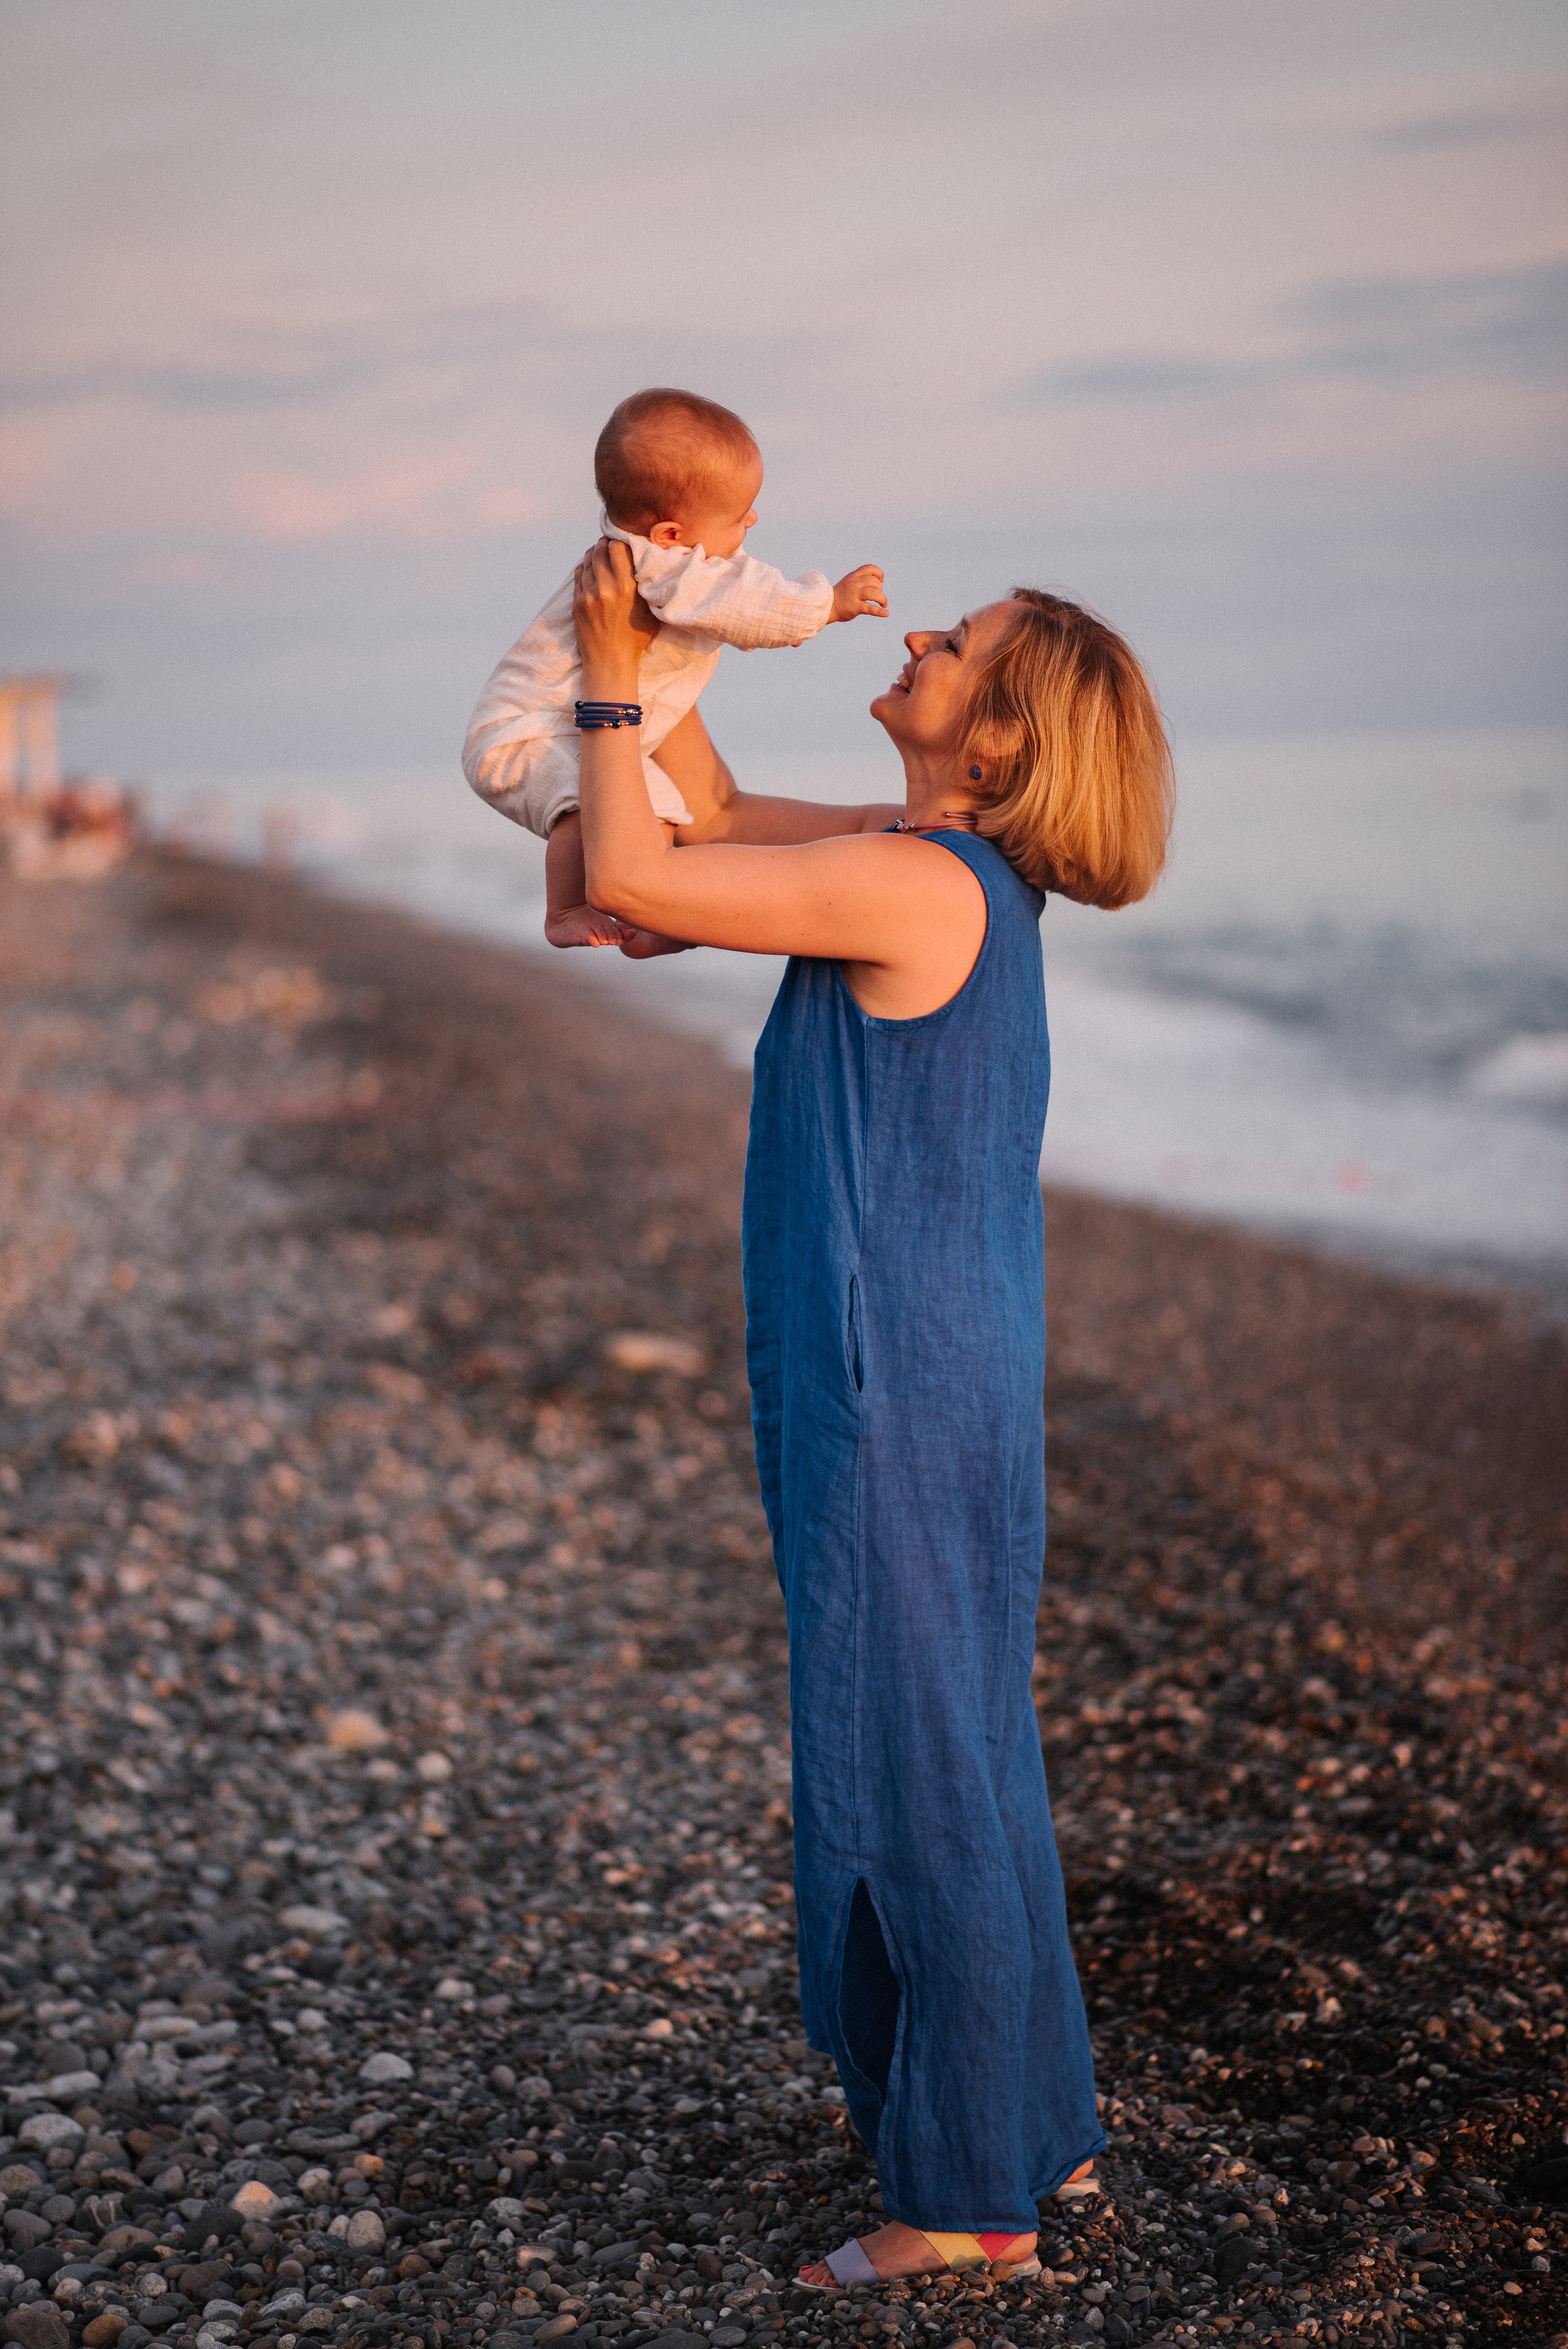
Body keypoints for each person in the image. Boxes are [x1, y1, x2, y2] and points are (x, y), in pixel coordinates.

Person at [570, 537, 1174, 2288]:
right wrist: (656, 638)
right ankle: (1028, 2124)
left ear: (997, 739)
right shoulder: (921, 858)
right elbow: (709, 801)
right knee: (966, 1744)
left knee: (913, 1768)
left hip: (893, 1377)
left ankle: (964, 2199)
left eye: (960, 641)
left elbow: (631, 863)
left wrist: (602, 676)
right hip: (933, 1362)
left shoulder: (921, 890)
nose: (922, 632)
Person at [461, 387, 887, 951]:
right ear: (669, 535)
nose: (752, 521)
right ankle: (565, 909)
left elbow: (715, 813)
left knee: (657, 815)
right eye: (738, 516)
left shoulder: (652, 558)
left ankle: (664, 916)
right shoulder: (659, 568)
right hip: (526, 733)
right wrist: (825, 605)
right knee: (601, 812)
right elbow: (743, 604)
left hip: (562, 728)